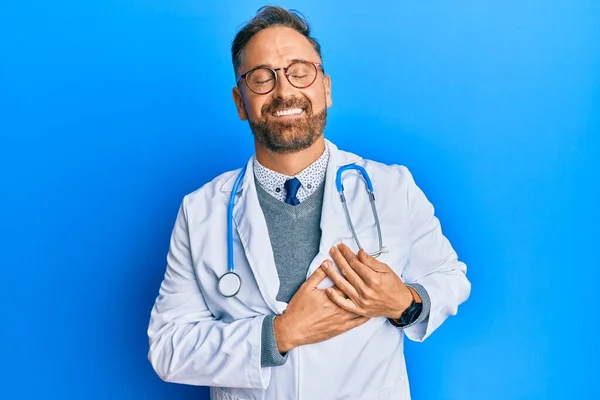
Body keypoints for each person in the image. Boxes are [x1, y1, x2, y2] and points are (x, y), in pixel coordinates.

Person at [147, 6, 470, 400]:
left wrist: (405, 302)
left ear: (326, 88)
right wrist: (279, 334)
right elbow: (168, 347)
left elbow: (451, 277)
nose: (285, 91)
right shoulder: (200, 211)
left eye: (300, 72)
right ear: (239, 101)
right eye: (262, 79)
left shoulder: (391, 188)